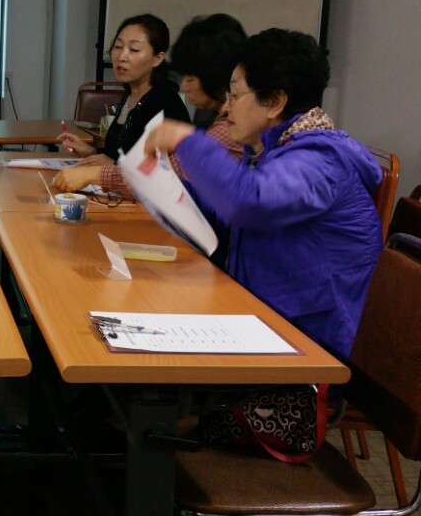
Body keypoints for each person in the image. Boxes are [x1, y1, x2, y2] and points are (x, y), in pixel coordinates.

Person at [144, 28, 382, 360]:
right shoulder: (278, 150)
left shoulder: (320, 161)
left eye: (235, 95)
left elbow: (250, 203)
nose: (227, 108)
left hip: (311, 345)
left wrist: (185, 140)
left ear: (275, 102)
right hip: (267, 319)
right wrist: (165, 189)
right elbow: (233, 219)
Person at [53, 13, 244, 196]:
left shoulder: (224, 128)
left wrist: (97, 173)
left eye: (191, 78)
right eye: (117, 47)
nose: (184, 87)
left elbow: (165, 178)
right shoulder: (129, 95)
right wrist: (93, 155)